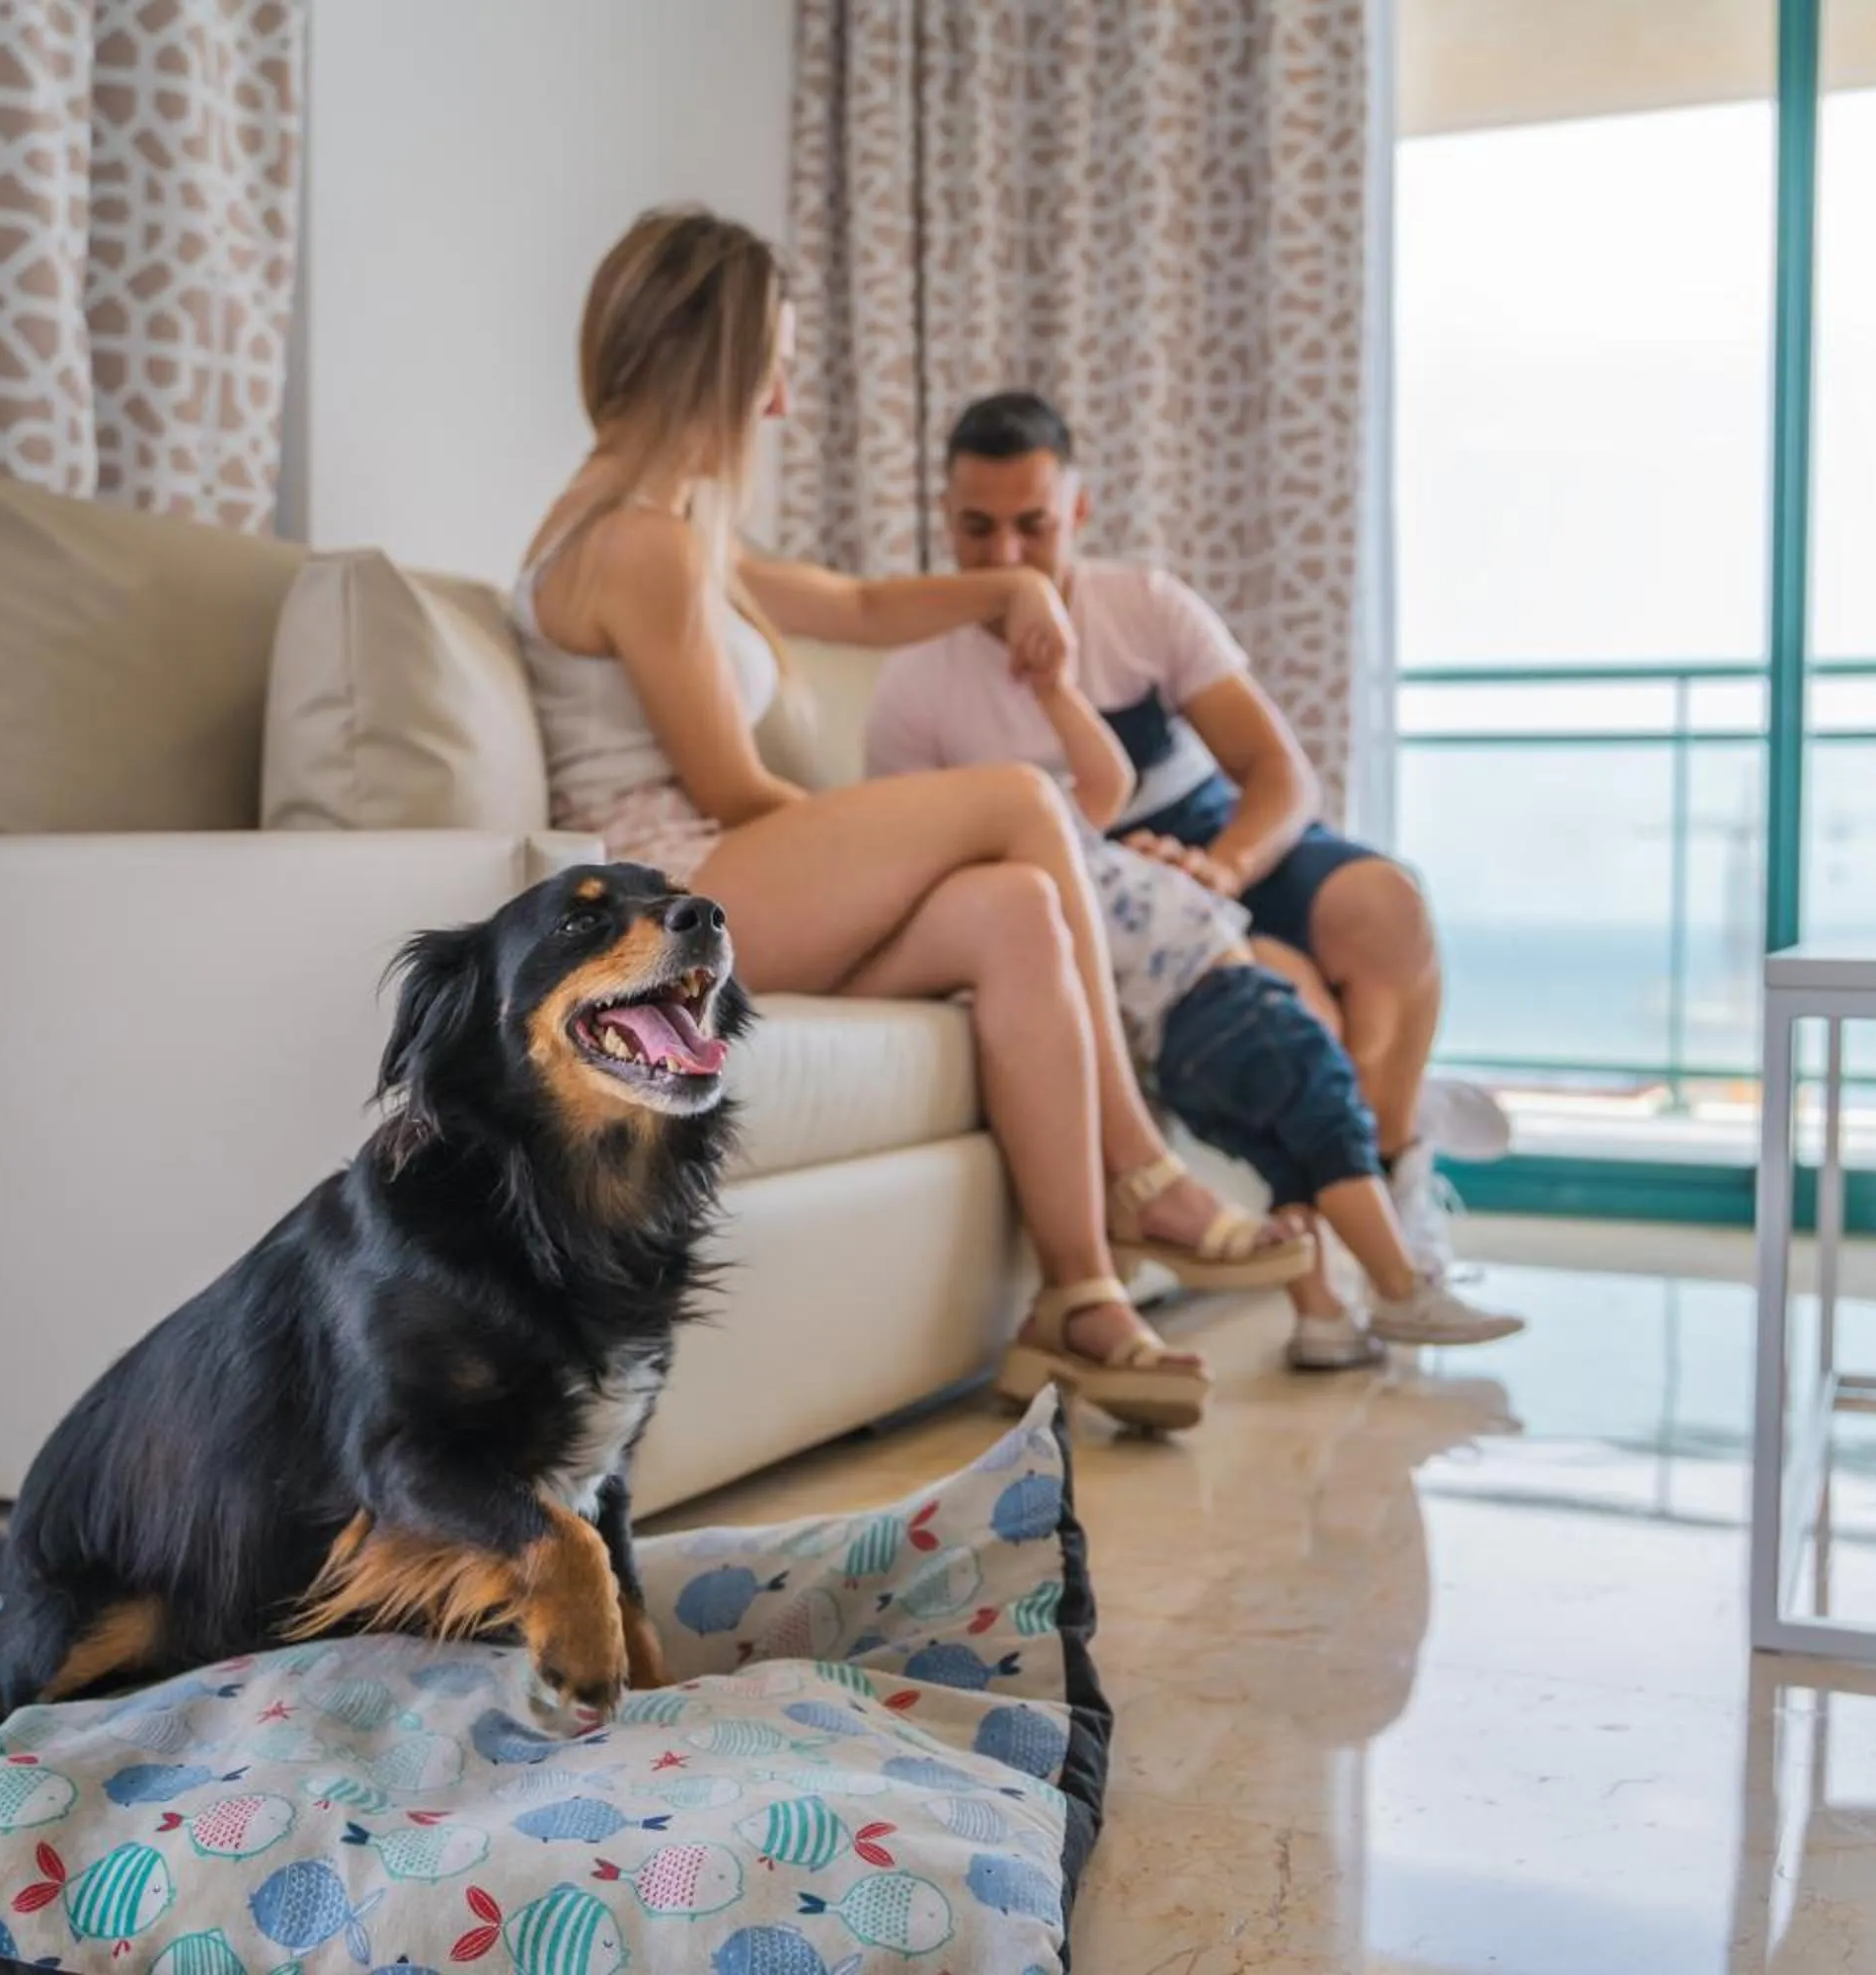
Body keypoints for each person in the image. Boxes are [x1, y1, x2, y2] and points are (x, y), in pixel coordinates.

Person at [511, 207, 1310, 1435]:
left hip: (712, 873)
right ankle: (1144, 1163)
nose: (781, 402)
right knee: (1016, 800)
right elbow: (730, 789)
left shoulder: (670, 533)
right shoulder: (637, 546)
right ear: (720, 367)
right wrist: (889, 840)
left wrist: (1008, 587)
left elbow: (865, 600)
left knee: (1016, 905)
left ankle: (1079, 1296)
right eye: (773, 362)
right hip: (662, 900)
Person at [874, 390, 1514, 1285]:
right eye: (978, 530)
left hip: (1221, 836)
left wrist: (1221, 868)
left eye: (1034, 526)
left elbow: (1280, 773)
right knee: (1299, 1009)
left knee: (1387, 904)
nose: (1007, 556)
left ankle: (1398, 1154)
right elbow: (922, 868)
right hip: (1099, 881)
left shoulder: (1146, 607)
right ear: (944, 515)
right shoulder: (913, 686)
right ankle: (1383, 1170)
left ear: (1079, 512)